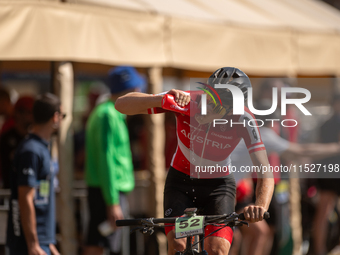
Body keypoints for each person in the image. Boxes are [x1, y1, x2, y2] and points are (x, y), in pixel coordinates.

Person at [115, 67, 275, 255]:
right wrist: (162, 99)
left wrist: (260, 206)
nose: (216, 109)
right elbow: (121, 105)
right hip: (181, 182)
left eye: (225, 106)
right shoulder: (187, 101)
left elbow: (265, 170)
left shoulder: (245, 119)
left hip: (218, 187)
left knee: (217, 249)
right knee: (178, 246)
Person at [83, 66, 145, 255]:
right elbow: (106, 160)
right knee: (100, 242)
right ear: (131, 90)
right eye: (138, 89)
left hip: (109, 190)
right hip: (107, 191)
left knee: (103, 241)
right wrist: (112, 202)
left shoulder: (111, 113)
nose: (141, 93)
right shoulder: (107, 115)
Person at [6, 93, 62, 255]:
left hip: (41, 241)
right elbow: (26, 198)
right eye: (63, 115)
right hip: (27, 243)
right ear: (55, 117)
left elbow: (40, 197)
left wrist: (49, 242)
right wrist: (33, 244)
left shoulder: (41, 148)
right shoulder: (31, 150)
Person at [312, 94, 340, 255]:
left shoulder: (325, 124)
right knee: (324, 211)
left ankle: (320, 249)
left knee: (323, 211)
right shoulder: (334, 122)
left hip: (325, 169)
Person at [0, 96, 34, 189]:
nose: (32, 116)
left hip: (29, 191)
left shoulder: (33, 138)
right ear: (18, 113)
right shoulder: (6, 137)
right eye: (29, 112)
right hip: (11, 192)